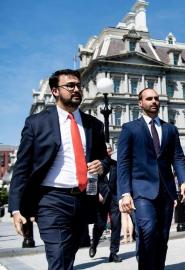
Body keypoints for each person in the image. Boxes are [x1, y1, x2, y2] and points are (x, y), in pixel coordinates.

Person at [8, 69, 110, 270]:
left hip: (83, 200)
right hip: (51, 201)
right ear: (55, 91)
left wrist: (102, 165)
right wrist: (16, 208)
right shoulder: (37, 123)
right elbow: (22, 168)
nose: (76, 89)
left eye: (79, 86)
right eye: (70, 86)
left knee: (67, 257)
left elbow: (105, 160)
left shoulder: (94, 125)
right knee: (59, 257)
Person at [117, 88, 185, 270]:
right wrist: (125, 193)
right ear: (140, 103)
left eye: (156, 98)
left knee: (162, 235)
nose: (154, 101)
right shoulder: (130, 129)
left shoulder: (170, 129)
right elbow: (123, 163)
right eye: (149, 98)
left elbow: (178, 157)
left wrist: (183, 181)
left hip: (166, 191)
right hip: (141, 191)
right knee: (148, 230)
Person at [89, 143, 122, 263]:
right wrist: (96, 194)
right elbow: (91, 181)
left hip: (114, 199)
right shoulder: (96, 165)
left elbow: (120, 181)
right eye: (105, 150)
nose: (108, 152)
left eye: (109, 150)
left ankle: (113, 253)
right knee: (100, 225)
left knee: (116, 225)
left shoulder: (116, 165)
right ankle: (94, 244)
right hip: (101, 199)